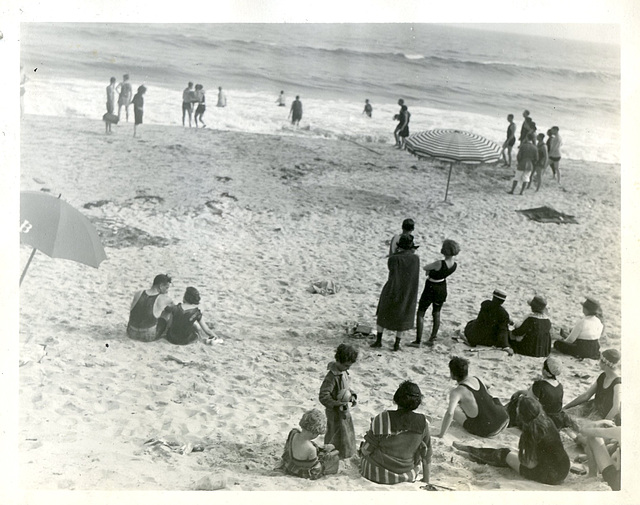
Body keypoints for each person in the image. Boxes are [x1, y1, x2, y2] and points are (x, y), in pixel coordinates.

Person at [454, 396, 570, 486]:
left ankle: (470, 452)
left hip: (549, 475)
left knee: (505, 454)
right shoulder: (548, 421)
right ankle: (470, 451)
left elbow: (530, 464)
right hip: (564, 468)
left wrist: (518, 458)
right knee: (513, 454)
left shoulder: (530, 433)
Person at [359, 381, 432, 485]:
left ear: (396, 398)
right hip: (406, 475)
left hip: (375, 473)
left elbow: (367, 450)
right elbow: (427, 455)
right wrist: (426, 480)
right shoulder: (423, 423)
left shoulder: (382, 418)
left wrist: (361, 451)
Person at [436, 357, 509, 438]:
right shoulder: (477, 378)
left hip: (489, 431)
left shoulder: (456, 392)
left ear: (452, 374)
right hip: (504, 419)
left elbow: (450, 413)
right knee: (492, 398)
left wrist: (441, 434)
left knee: (456, 412)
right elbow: (488, 386)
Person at [372, 234, 420, 351]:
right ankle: (396, 344)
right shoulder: (416, 258)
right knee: (402, 315)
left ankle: (379, 340)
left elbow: (392, 271)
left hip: (393, 287)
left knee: (383, 313)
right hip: (407, 289)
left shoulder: (394, 259)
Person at [410, 239, 460, 348]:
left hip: (431, 287)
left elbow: (425, 267)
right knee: (436, 313)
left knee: (421, 312)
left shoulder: (439, 263)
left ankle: (418, 341)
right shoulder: (454, 264)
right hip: (442, 287)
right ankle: (432, 338)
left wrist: (429, 272)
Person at [506, 357, 573, 430]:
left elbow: (529, 402)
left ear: (545, 371)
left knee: (516, 402)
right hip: (554, 420)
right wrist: (520, 392)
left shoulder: (539, 385)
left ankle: (506, 421)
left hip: (540, 421)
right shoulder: (560, 386)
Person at [318, 343, 358, 459]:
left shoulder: (343, 372)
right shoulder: (331, 377)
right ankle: (330, 455)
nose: (348, 368)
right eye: (346, 365)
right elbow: (323, 395)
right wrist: (335, 404)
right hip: (334, 412)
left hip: (344, 411)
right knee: (334, 433)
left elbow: (346, 388)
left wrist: (352, 396)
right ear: (339, 361)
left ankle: (346, 453)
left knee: (346, 432)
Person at [563, 349, 621, 423]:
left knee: (581, 426)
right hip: (592, 407)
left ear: (605, 363)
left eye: (600, 360)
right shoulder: (603, 376)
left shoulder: (617, 383)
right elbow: (586, 395)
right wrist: (566, 407)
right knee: (566, 415)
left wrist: (604, 423)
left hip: (604, 414)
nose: (598, 362)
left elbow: (616, 408)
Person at [279, 409, 339, 480]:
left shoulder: (293, 432)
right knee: (335, 458)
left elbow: (287, 447)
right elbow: (316, 467)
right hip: (302, 470)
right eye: (318, 434)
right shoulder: (311, 449)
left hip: (291, 463)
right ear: (313, 433)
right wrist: (325, 455)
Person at [127, 274, 173, 342]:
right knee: (166, 312)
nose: (167, 291)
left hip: (131, 332)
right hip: (148, 335)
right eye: (166, 287)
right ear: (160, 286)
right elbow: (175, 310)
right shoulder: (164, 298)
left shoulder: (139, 293)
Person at [580, 420, 621, 490]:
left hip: (617, 483)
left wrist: (602, 421)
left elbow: (584, 430)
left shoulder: (620, 431)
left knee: (592, 437)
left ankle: (592, 475)